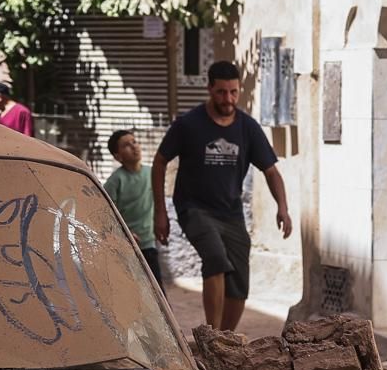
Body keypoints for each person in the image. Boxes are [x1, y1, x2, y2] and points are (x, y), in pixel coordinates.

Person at [152, 60, 292, 331]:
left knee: (239, 282)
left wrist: (283, 208)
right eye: (221, 92)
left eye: (233, 92)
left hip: (231, 213)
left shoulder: (247, 128)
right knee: (215, 259)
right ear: (209, 89)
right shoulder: (188, 124)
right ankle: (212, 335)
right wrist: (160, 211)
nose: (228, 99)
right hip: (193, 209)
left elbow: (271, 172)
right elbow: (160, 162)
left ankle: (226, 340)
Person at [103, 128, 162, 281]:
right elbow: (105, 213)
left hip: (148, 243)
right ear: (117, 156)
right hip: (125, 247)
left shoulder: (152, 173)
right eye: (126, 145)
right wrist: (124, 231)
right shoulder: (115, 181)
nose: (134, 146)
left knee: (156, 292)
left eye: (134, 142)